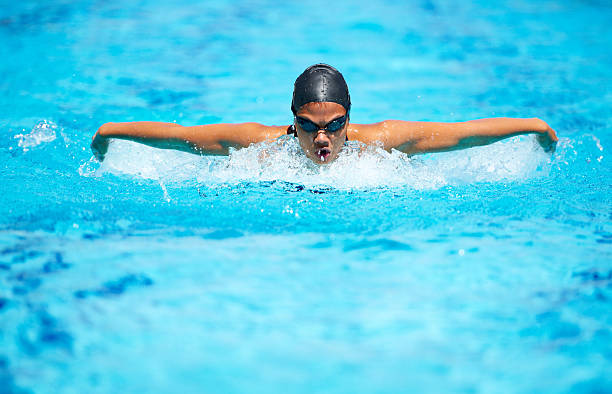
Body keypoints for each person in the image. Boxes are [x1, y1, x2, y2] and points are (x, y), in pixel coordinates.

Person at [91, 64, 558, 164]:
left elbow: (459, 135)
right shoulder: (259, 142)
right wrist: (112, 131)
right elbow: (181, 136)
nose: (323, 139)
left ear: (349, 119)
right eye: (309, 127)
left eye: (335, 125)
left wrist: (532, 126)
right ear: (292, 121)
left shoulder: (381, 140)